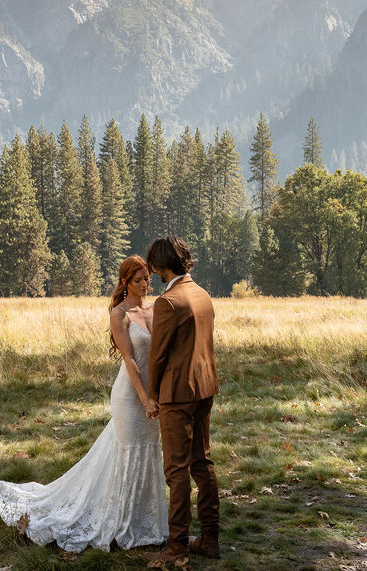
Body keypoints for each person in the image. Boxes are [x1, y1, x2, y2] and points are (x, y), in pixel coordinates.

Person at [0, 255, 167, 553]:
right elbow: (130, 360)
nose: (145, 284)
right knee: (129, 454)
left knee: (148, 454)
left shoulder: (155, 308)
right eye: (138, 280)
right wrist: (146, 399)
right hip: (131, 395)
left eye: (148, 279)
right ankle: (122, 525)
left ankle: (146, 523)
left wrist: (160, 393)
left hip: (155, 394)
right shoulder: (119, 313)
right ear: (125, 282)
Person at [144, 236, 220, 563]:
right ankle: (210, 538)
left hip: (177, 394)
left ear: (161, 266)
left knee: (176, 471)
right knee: (202, 463)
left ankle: (177, 547)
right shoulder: (202, 295)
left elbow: (157, 356)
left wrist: (153, 393)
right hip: (205, 389)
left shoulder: (168, 302)